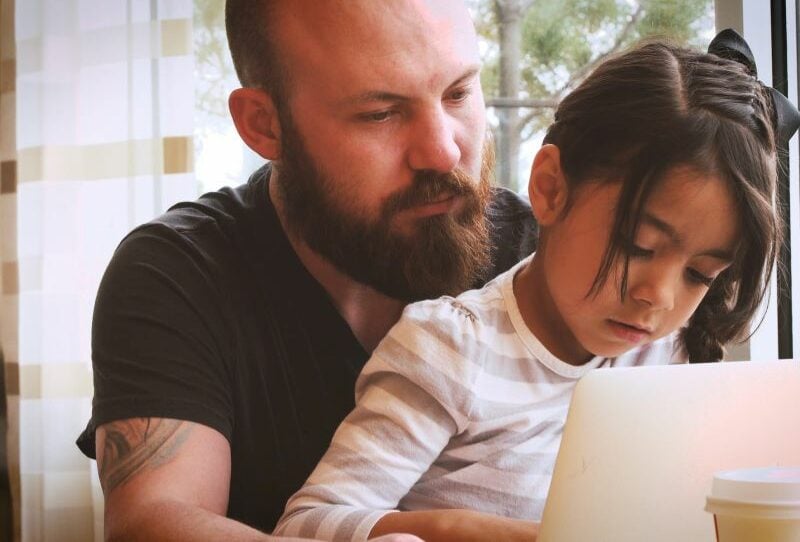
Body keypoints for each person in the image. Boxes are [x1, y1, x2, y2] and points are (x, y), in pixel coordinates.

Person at [273, 31, 799, 542]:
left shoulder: (668, 358)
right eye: (638, 245)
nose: (658, 297)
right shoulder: (451, 351)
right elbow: (305, 524)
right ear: (550, 188)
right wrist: (453, 528)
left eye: (699, 274)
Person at [75, 0, 537, 540]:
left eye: (458, 93)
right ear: (263, 125)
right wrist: (432, 531)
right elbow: (153, 524)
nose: (441, 151)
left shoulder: (541, 257)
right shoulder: (178, 273)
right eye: (380, 114)